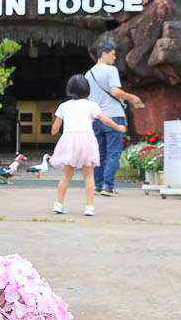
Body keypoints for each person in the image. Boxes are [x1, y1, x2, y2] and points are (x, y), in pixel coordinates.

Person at [50, 75, 127, 216]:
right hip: (86, 140)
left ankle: (59, 204)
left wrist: (55, 130)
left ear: (69, 90)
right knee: (89, 175)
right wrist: (118, 127)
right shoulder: (91, 105)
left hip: (69, 140)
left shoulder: (64, 106)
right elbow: (105, 120)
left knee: (66, 175)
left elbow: (55, 129)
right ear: (87, 90)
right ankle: (89, 207)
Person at [85, 42, 142, 196]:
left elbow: (87, 97)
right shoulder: (111, 70)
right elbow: (115, 92)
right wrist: (132, 97)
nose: (114, 58)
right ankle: (108, 186)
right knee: (113, 153)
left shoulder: (88, 74)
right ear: (104, 53)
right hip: (114, 116)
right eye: (113, 54)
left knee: (99, 153)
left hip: (96, 118)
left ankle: (98, 185)